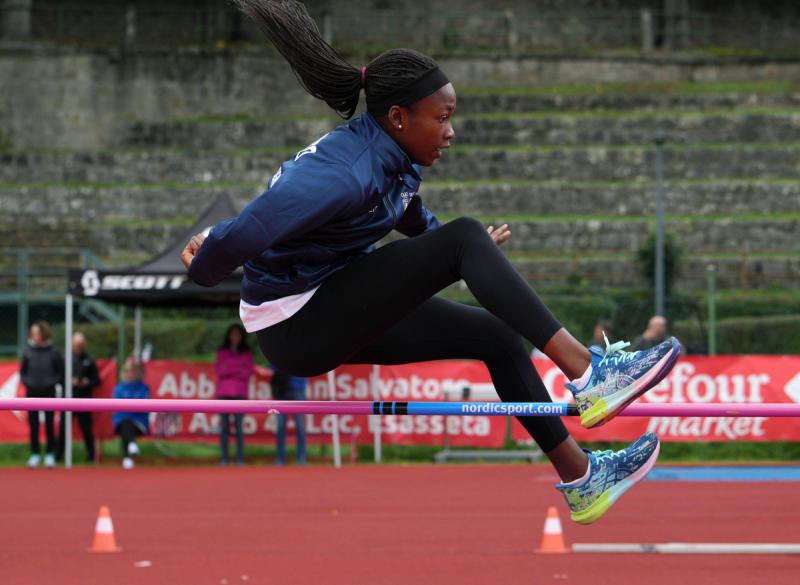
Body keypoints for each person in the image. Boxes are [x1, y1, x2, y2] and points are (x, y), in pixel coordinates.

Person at [180, 0, 682, 525]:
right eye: (441, 119)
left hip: (331, 299)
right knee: (464, 239)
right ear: (399, 117)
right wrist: (207, 258)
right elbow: (256, 225)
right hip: (295, 323)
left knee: (498, 337)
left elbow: (411, 217)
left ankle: (583, 478)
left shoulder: (393, 160)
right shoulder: (342, 173)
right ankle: (590, 375)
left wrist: (469, 251)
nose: (450, 132)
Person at [20, 321, 63, 469]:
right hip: (31, 393)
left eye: (36, 332)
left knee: (50, 425)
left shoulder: (54, 352)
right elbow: (23, 373)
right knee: (33, 425)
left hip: (49, 394)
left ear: (44, 334)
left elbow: (60, 373)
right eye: (32, 333)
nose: (33, 336)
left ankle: (50, 454)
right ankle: (35, 454)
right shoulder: (28, 352)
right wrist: (29, 383)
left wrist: (49, 383)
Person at [56, 332, 101, 463]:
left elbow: (97, 381)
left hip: (84, 400)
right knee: (63, 429)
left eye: (81, 345)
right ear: (72, 345)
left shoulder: (89, 360)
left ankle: (91, 456)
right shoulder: (65, 359)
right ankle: (57, 456)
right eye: (76, 345)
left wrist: (86, 382)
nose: (79, 347)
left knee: (87, 429)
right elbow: (58, 378)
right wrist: (69, 381)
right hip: (68, 399)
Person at [215, 324, 254, 466]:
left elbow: (248, 372)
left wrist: (229, 368)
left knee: (239, 427)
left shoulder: (247, 352)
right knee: (224, 427)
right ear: (229, 336)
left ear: (242, 336)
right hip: (224, 393)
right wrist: (238, 368)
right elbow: (219, 371)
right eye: (233, 334)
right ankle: (224, 458)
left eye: (238, 334)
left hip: (240, 394)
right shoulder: (222, 351)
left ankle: (239, 459)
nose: (235, 337)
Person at [112, 357, 150, 470]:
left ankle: (127, 457)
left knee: (127, 424)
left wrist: (129, 408)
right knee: (125, 423)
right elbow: (117, 408)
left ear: (138, 373)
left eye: (133, 371)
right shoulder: (119, 388)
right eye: (128, 371)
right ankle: (131, 447)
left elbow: (144, 406)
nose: (130, 374)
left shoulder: (144, 388)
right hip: (122, 422)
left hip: (139, 423)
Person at [271, 366, 307, 466]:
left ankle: (301, 457)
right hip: (282, 388)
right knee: (280, 426)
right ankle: (280, 458)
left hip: (298, 387)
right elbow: (272, 364)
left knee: (300, 426)